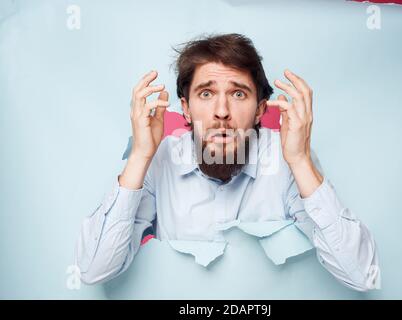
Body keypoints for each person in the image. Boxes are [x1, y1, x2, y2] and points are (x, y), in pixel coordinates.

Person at [75, 33, 380, 291]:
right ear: (186, 108)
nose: (221, 111)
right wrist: (141, 156)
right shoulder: (160, 159)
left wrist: (300, 160)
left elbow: (361, 275)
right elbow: (94, 271)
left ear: (260, 109)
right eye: (206, 93)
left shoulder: (288, 158)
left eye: (238, 93)